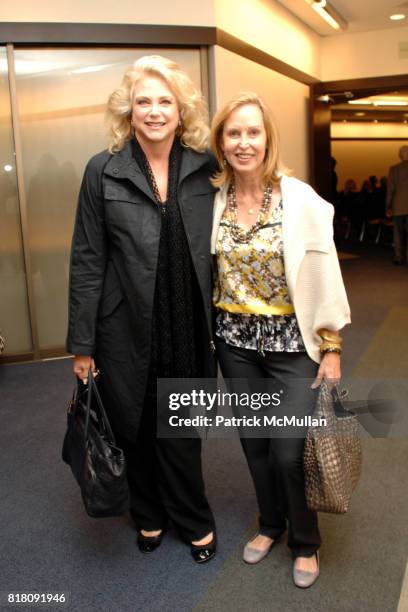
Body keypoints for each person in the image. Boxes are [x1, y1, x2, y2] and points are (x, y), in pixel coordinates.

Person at [66, 55, 217, 563]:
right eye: (143, 102)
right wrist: (82, 344)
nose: (154, 111)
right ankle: (149, 514)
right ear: (128, 111)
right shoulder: (102, 169)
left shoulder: (205, 165)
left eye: (164, 102)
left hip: (187, 323)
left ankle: (193, 517)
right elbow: (88, 258)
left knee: (182, 426)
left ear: (181, 110)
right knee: (133, 425)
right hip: (125, 324)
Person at [210, 92, 350, 587]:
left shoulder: (300, 199)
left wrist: (331, 347)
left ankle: (305, 541)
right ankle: (270, 524)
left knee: (290, 451)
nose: (244, 142)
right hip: (235, 343)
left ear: (267, 138)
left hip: (292, 346)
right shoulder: (214, 200)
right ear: (221, 142)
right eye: (234, 133)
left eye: (253, 132)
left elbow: (325, 274)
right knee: (256, 446)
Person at [386, 145, 408, 265]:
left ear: (400, 155)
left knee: (398, 234)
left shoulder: (394, 169)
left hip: (398, 206)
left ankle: (399, 257)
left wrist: (388, 206)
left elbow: (390, 190)